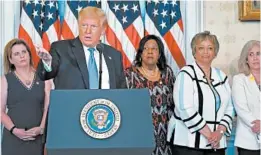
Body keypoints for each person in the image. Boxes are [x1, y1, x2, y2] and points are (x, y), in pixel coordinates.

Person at [172, 31, 234, 155]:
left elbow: (230, 107)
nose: (206, 52)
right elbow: (185, 108)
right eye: (201, 48)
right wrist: (210, 135)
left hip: (217, 143)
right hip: (188, 144)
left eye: (210, 48)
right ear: (194, 52)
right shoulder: (186, 73)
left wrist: (220, 132)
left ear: (215, 53)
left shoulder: (221, 76)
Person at [36, 6, 126, 89]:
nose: (88, 31)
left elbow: (122, 91)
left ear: (103, 30)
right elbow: (44, 75)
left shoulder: (114, 55)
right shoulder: (61, 49)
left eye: (93, 26)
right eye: (84, 25)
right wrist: (47, 62)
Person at [124, 35, 175, 155]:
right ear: (140, 53)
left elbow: (174, 103)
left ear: (160, 54)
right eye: (146, 48)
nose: (150, 52)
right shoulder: (129, 74)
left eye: (154, 49)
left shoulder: (167, 73)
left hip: (165, 134)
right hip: (139, 133)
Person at [1, 39, 51, 155]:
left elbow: (47, 107)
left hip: (38, 138)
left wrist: (41, 128)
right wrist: (14, 130)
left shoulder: (43, 77)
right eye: (16, 54)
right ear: (10, 59)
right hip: (13, 139)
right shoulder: (5, 80)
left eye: (24, 52)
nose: (21, 56)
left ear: (29, 54)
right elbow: (1, 111)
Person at [232, 40, 260, 155]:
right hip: (248, 139)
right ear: (246, 59)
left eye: (258, 53)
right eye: (251, 54)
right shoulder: (239, 79)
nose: (255, 58)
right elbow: (241, 109)